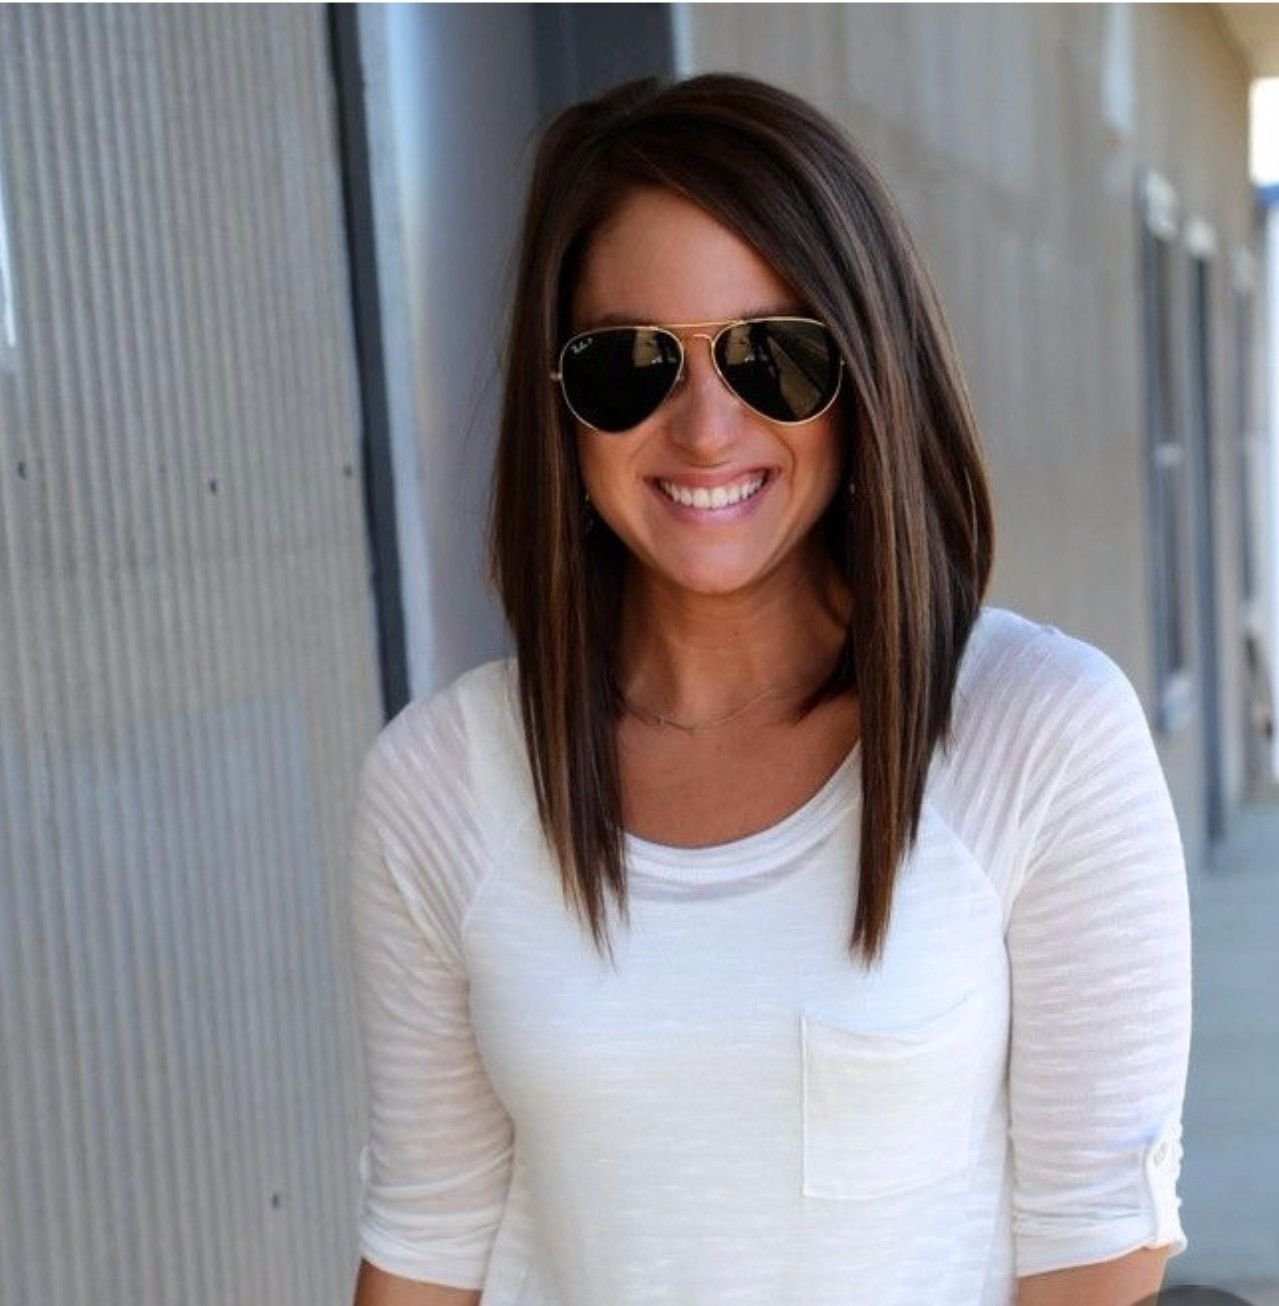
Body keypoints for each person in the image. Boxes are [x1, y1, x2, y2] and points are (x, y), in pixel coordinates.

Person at [348, 73, 1191, 1306]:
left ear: (865, 375)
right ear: (561, 404)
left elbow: (1094, 1254)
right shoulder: (439, 781)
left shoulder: (1038, 731)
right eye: (630, 362)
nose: (704, 427)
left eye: (773, 357)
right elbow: (427, 1247)